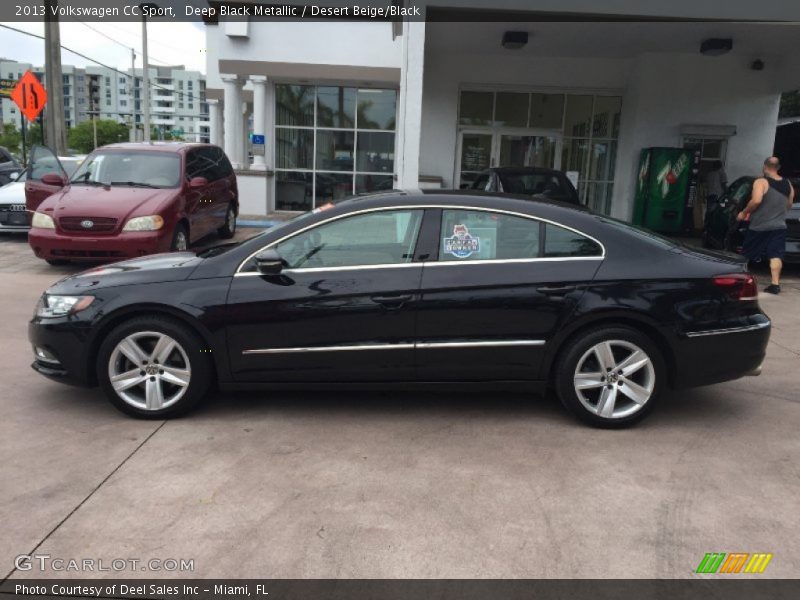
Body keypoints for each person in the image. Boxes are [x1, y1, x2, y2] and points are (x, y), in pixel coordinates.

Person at [737, 156, 794, 294]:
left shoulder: (761, 182)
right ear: (778, 167)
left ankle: (741, 282)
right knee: (776, 254)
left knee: (747, 255)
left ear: (764, 166)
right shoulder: (788, 183)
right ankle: (775, 285)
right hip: (779, 226)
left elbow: (756, 201)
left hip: (759, 226)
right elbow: (789, 204)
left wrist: (744, 213)